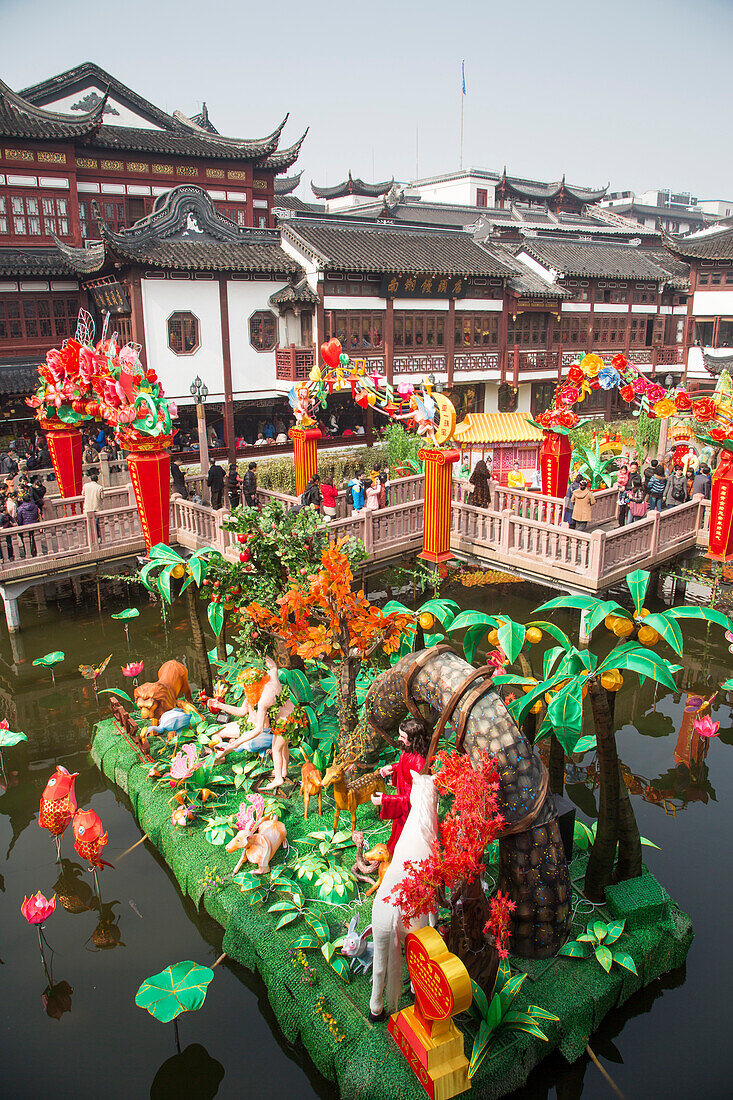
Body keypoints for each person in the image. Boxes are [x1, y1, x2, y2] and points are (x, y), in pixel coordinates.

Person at [370, 717, 432, 855]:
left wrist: (385, 799)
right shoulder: (408, 749)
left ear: (414, 739)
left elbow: (413, 799)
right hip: (402, 795)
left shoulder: (420, 762)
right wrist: (393, 768)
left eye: (403, 736)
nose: (399, 739)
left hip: (410, 811)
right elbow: (405, 765)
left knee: (405, 836)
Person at [16, 491, 39, 557]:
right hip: (34, 523)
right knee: (34, 538)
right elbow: (36, 515)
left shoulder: (20, 509)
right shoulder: (35, 506)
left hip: (25, 525)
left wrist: (20, 526)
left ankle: (28, 551)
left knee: (26, 539)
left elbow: (19, 519)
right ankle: (34, 550)